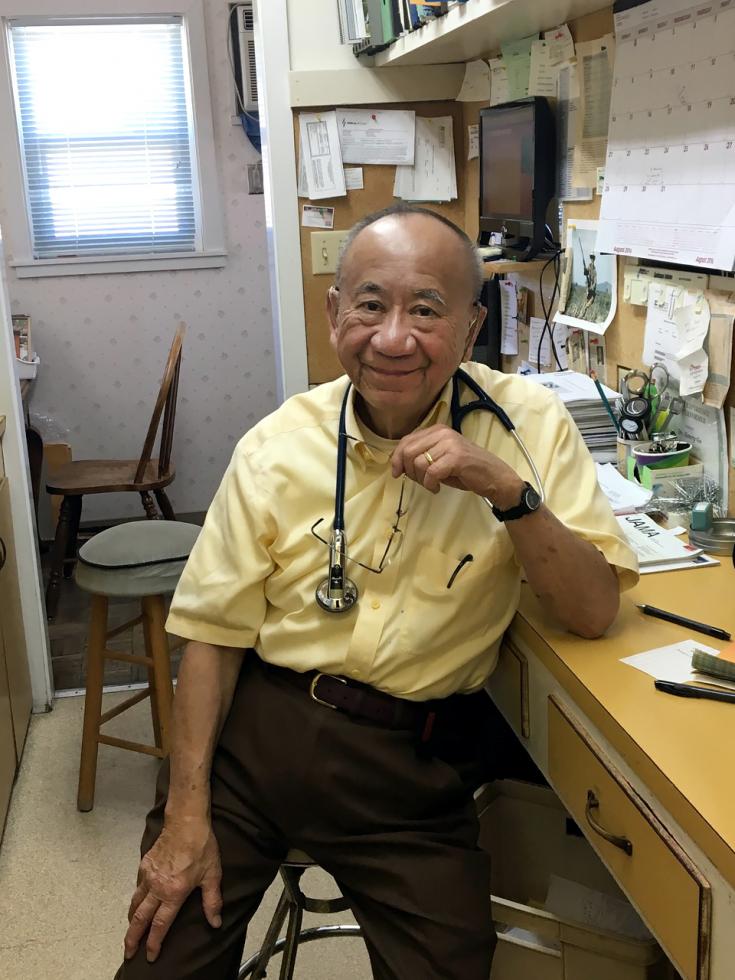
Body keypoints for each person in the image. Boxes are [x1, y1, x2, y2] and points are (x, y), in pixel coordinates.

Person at [115, 204, 638, 980]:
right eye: (369, 305)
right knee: (165, 954)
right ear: (334, 315)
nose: (393, 337)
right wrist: (186, 814)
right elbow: (212, 638)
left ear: (469, 328)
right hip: (254, 739)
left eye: (426, 310)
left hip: (409, 765)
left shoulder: (528, 425)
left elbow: (593, 613)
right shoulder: (274, 447)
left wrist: (505, 490)